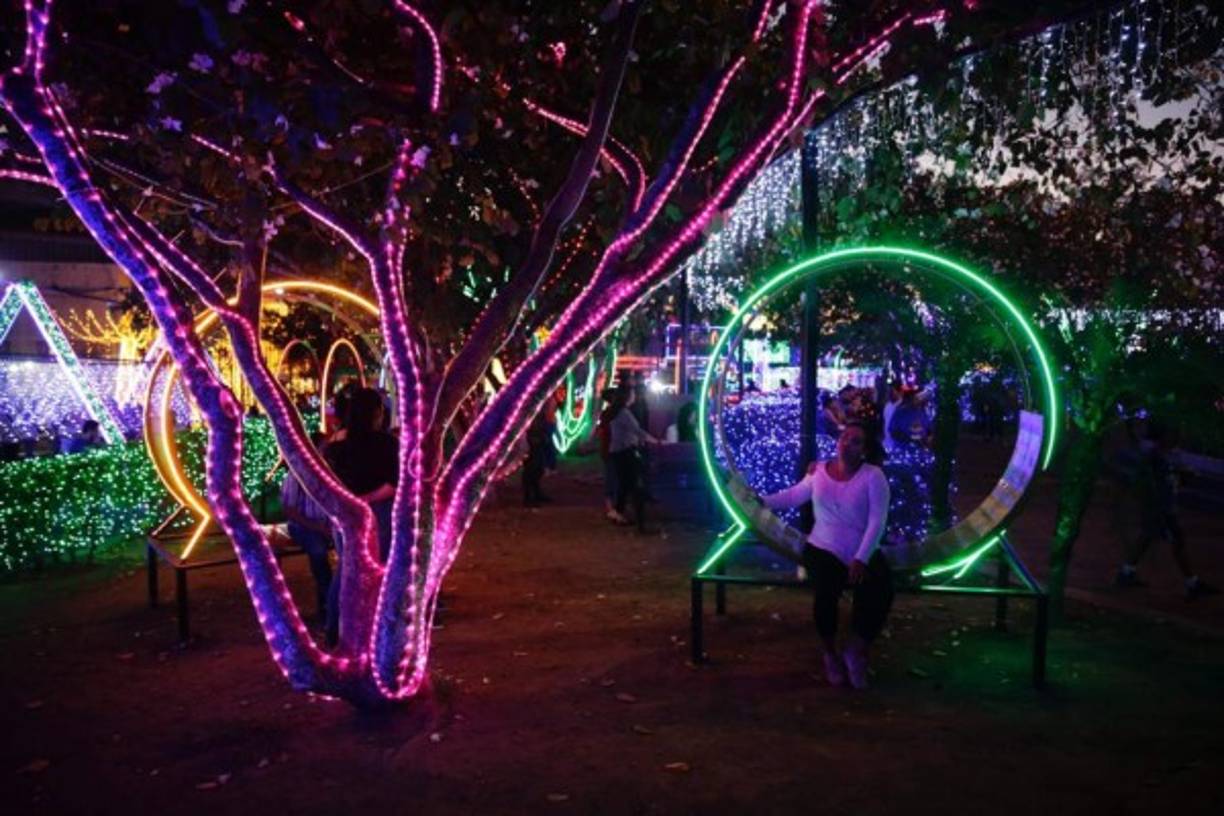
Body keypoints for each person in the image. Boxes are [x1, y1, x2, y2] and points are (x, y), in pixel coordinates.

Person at [760, 421, 893, 689]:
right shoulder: (818, 470)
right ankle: (829, 654)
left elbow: (877, 521)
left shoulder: (873, 476)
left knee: (881, 588)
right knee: (825, 590)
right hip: (822, 546)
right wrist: (763, 501)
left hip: (860, 549)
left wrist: (861, 557)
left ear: (865, 450)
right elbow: (795, 495)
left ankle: (856, 650)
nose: (846, 443)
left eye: (855, 441)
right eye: (844, 437)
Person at [323, 387, 399, 644]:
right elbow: (393, 483)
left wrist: (350, 502)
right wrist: (366, 499)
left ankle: (335, 628)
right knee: (380, 568)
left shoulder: (335, 445)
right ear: (377, 412)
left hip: (344, 513)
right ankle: (376, 630)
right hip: (377, 512)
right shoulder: (386, 443)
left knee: (346, 567)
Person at [1117, 422, 1219, 599]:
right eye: (1172, 433)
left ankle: (1127, 572)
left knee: (1147, 538)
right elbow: (1150, 482)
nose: (1177, 437)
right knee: (1176, 542)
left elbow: (1168, 479)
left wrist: (1182, 476)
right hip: (1161, 508)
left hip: (1162, 507)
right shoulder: (1155, 457)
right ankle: (1191, 583)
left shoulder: (1164, 456)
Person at [280, 433, 333, 625]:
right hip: (304, 526)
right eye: (325, 447)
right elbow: (290, 510)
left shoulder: (330, 472)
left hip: (326, 525)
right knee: (318, 552)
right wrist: (317, 526)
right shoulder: (297, 473)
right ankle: (327, 606)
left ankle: (335, 603)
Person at [609, 385, 660, 526]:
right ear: (626, 397)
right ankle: (635, 518)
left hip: (619, 451)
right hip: (625, 452)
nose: (634, 396)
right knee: (632, 484)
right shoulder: (624, 413)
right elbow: (637, 430)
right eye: (631, 394)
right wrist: (655, 441)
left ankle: (618, 512)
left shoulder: (617, 411)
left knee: (625, 484)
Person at [595, 387, 621, 521]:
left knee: (612, 477)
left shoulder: (606, 413)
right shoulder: (612, 414)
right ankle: (611, 508)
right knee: (612, 478)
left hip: (608, 448)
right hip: (611, 448)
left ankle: (611, 507)